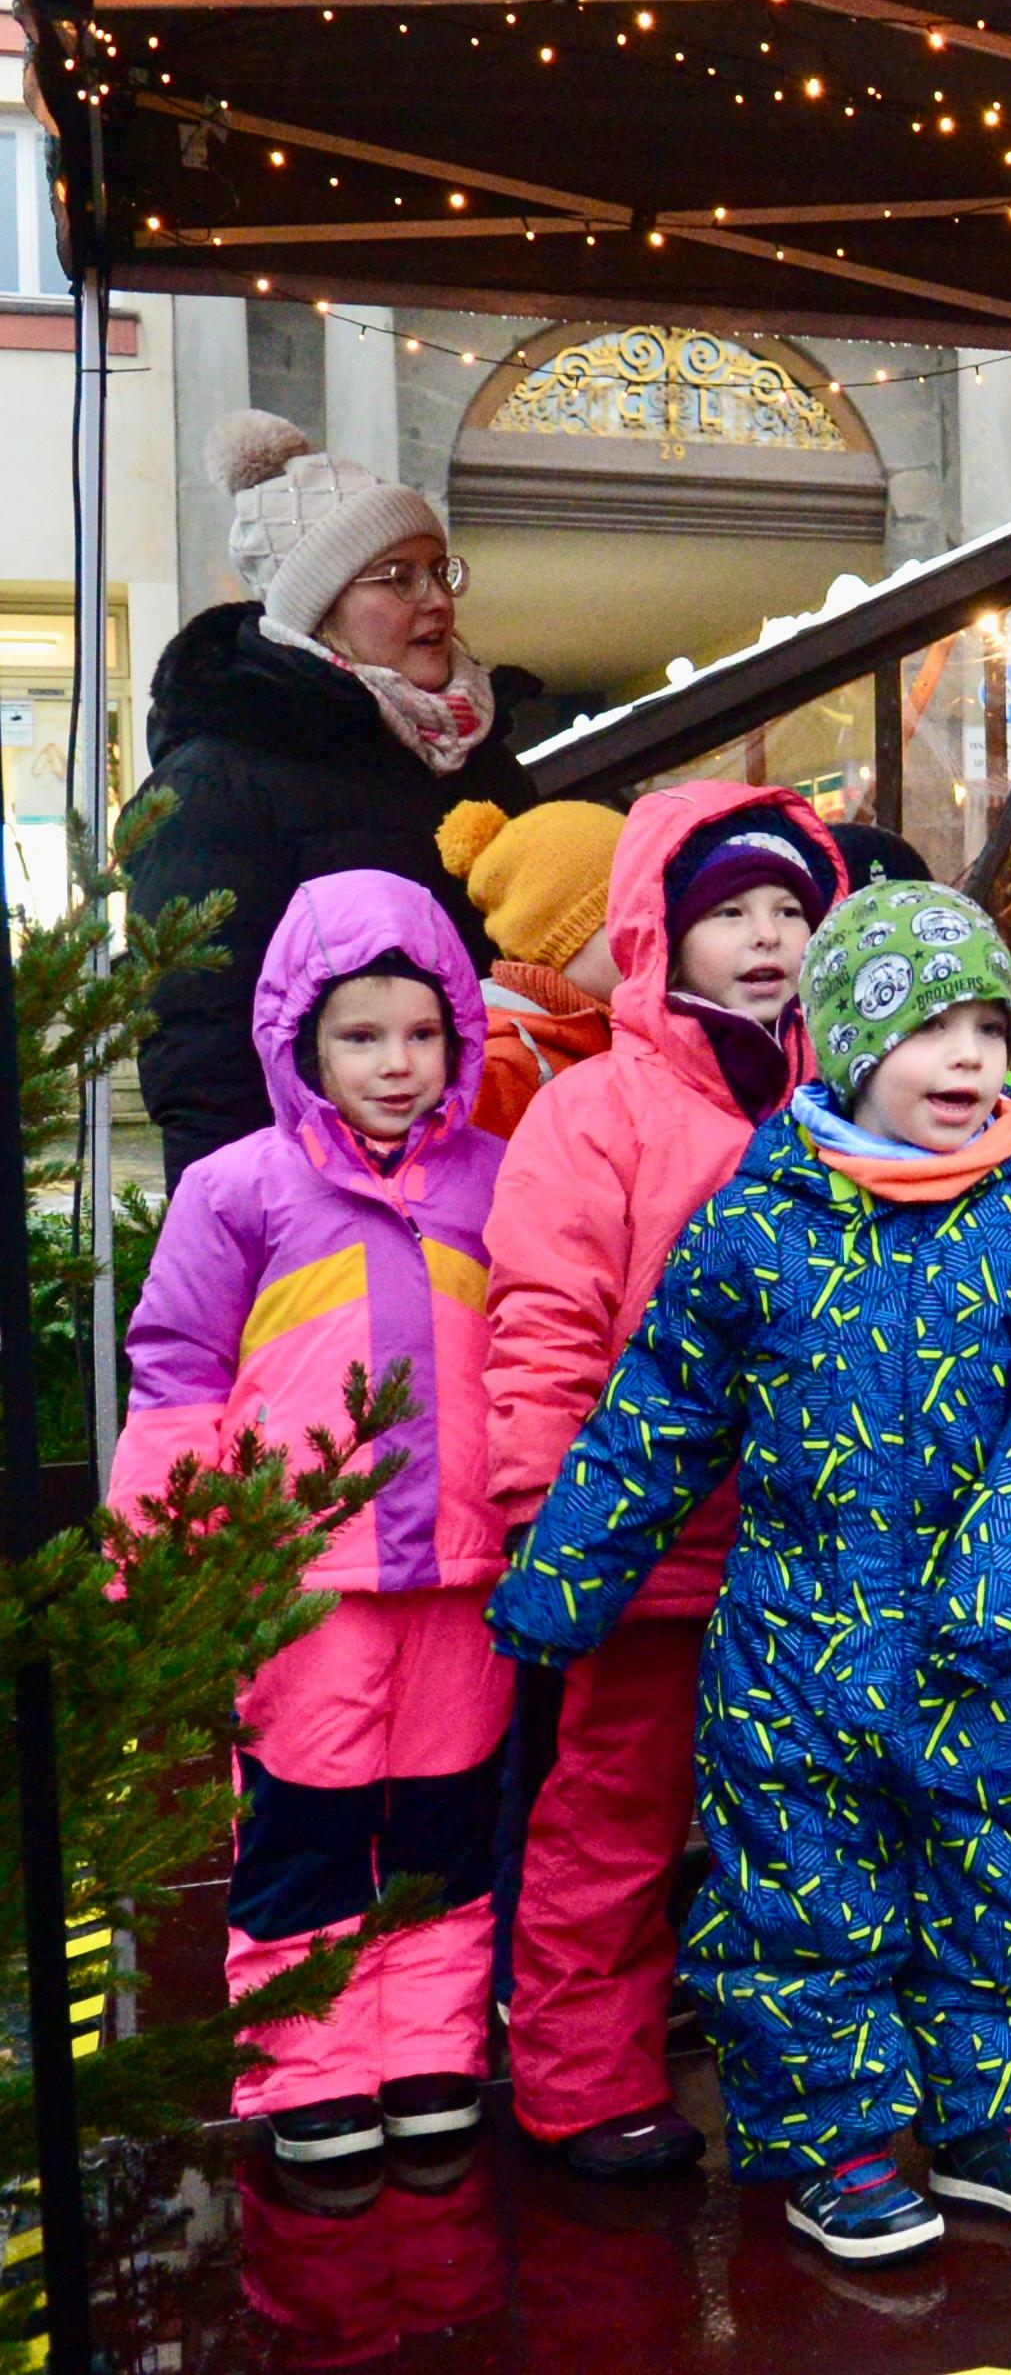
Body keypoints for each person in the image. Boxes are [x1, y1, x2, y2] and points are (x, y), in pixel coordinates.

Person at [488, 881, 1011, 2263]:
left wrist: (997, 1585)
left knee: (992, 1881)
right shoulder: (755, 1222)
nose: (968, 1058)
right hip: (795, 1646)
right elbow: (662, 1409)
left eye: (986, 1027)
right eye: (928, 1028)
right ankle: (835, 2135)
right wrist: (563, 1579)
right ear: (845, 1046)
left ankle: (994, 2113)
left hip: (985, 1650)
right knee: (799, 1899)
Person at [110, 873, 510, 2170]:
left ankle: (433, 2052)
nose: (396, 1065)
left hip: (464, 1577)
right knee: (306, 1824)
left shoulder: (497, 1184)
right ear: (297, 1038)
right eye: (359, 1035)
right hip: (302, 1585)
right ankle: (306, 2066)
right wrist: (156, 1568)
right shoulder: (240, 1192)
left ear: (459, 1033)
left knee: (445, 1826)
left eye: (421, 1034)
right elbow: (177, 1378)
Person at [478, 783, 843, 2182]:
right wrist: (549, 1518)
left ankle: (810, 2083)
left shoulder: (848, 1098)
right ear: (656, 934)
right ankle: (582, 2085)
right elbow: (547, 1318)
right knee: (613, 1823)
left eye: (789, 911)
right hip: (648, 1543)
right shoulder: (597, 1109)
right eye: (728, 914)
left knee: (800, 1829)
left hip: (815, 1550)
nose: (763, 938)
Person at [135, 411, 537, 1186]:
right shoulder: (219, 779)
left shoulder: (479, 752)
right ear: (319, 606)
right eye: (398, 577)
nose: (436, 601)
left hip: (489, 1174)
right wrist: (242, 1233)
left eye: (439, 570)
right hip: (327, 1191)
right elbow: (201, 1043)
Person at [434, 799, 625, 1139]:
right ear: (553, 943)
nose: (656, 930)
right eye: (621, 915)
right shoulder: (499, 1066)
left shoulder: (617, 1022)